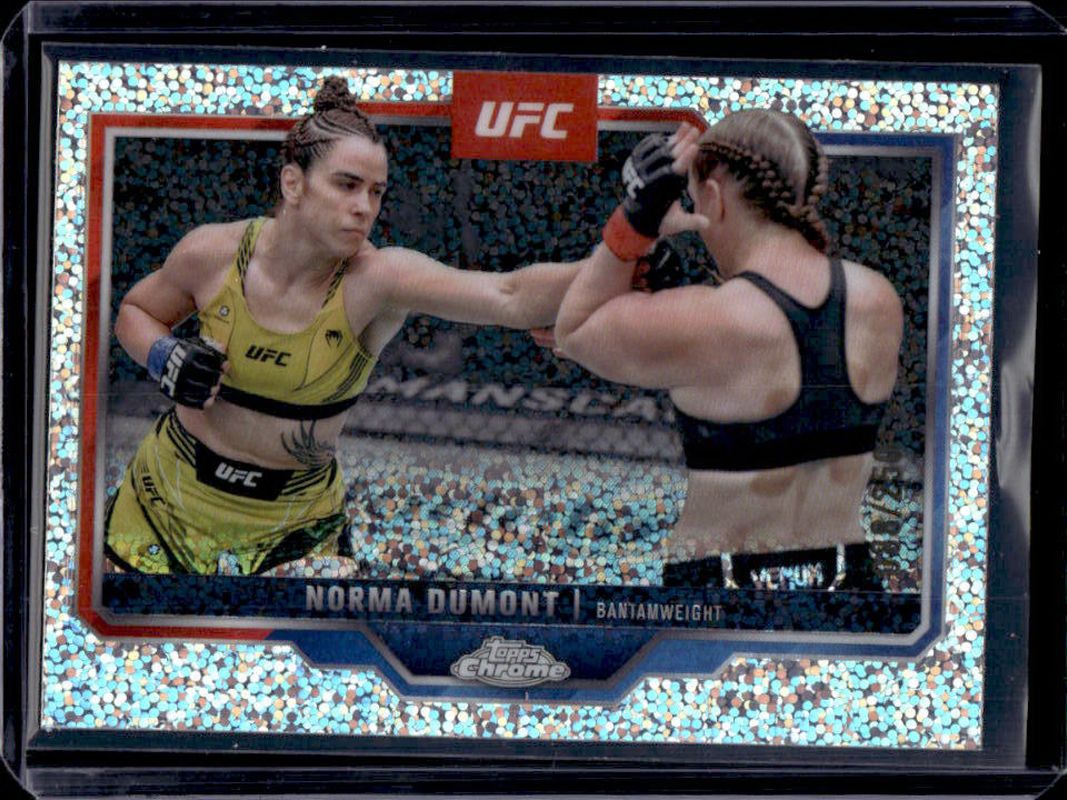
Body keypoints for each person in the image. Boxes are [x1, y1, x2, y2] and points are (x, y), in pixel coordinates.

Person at [104, 76, 579, 576]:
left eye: (376, 192)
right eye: (347, 185)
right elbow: (136, 313)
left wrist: (616, 266)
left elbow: (509, 294)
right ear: (293, 184)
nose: (364, 208)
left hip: (294, 528)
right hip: (163, 501)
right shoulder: (211, 253)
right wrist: (163, 355)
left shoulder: (377, 280)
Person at [553, 111, 903, 591]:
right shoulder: (878, 298)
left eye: (696, 201)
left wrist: (635, 223)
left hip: (722, 594)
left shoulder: (712, 319)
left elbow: (574, 329)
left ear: (714, 199)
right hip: (850, 590)